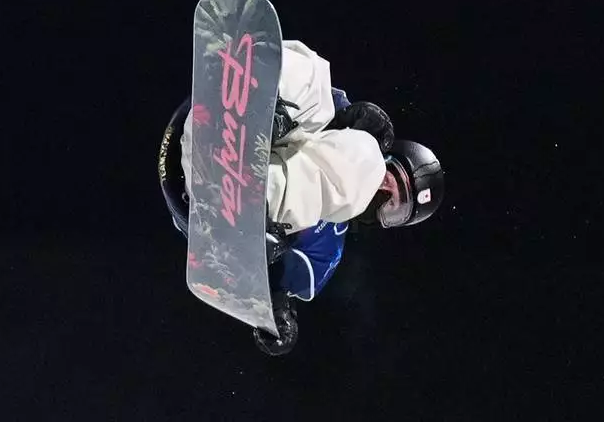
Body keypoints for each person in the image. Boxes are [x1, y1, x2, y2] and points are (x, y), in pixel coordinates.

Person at [162, 39, 445, 355]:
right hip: (200, 131)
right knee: (316, 74)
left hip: (206, 202)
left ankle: (251, 196)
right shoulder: (344, 136)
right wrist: (341, 113)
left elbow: (271, 288)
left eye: (394, 206)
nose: (382, 192)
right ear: (388, 156)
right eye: (390, 178)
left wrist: (276, 316)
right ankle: (252, 96)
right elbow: (324, 102)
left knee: (360, 160)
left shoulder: (325, 252)